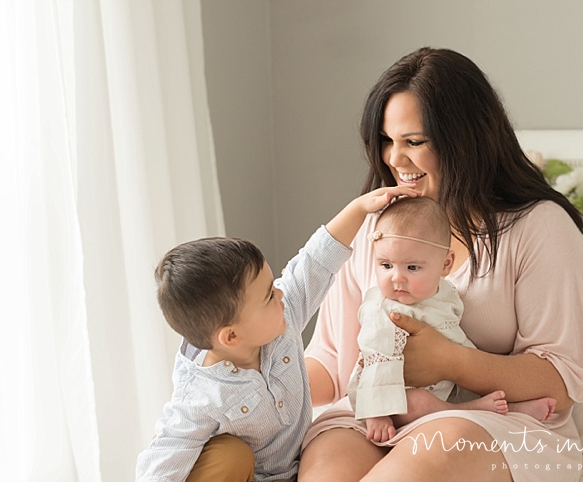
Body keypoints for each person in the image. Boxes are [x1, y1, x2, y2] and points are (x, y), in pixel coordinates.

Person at [299, 47, 583, 482]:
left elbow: (562, 380)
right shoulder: (376, 226)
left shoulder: (539, 228)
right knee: (327, 469)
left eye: (413, 142)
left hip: (500, 423)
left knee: (428, 454)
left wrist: (448, 360)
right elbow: (332, 361)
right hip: (376, 411)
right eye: (387, 140)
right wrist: (252, 381)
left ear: (465, 139)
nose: (393, 159)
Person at [134, 185, 419, 482]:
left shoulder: (281, 319)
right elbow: (164, 458)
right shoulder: (200, 396)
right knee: (227, 454)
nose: (281, 294)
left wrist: (358, 208)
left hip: (292, 470)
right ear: (231, 337)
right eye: (269, 295)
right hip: (243, 474)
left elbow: (315, 262)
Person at [348, 196, 556, 443]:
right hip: (393, 394)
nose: (396, 278)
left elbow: (455, 338)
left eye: (412, 268)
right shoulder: (381, 309)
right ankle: (473, 410)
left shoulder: (444, 293)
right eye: (386, 265)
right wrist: (378, 415)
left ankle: (510, 407)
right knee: (418, 402)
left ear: (445, 264)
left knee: (475, 373)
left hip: (445, 380)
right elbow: (377, 357)